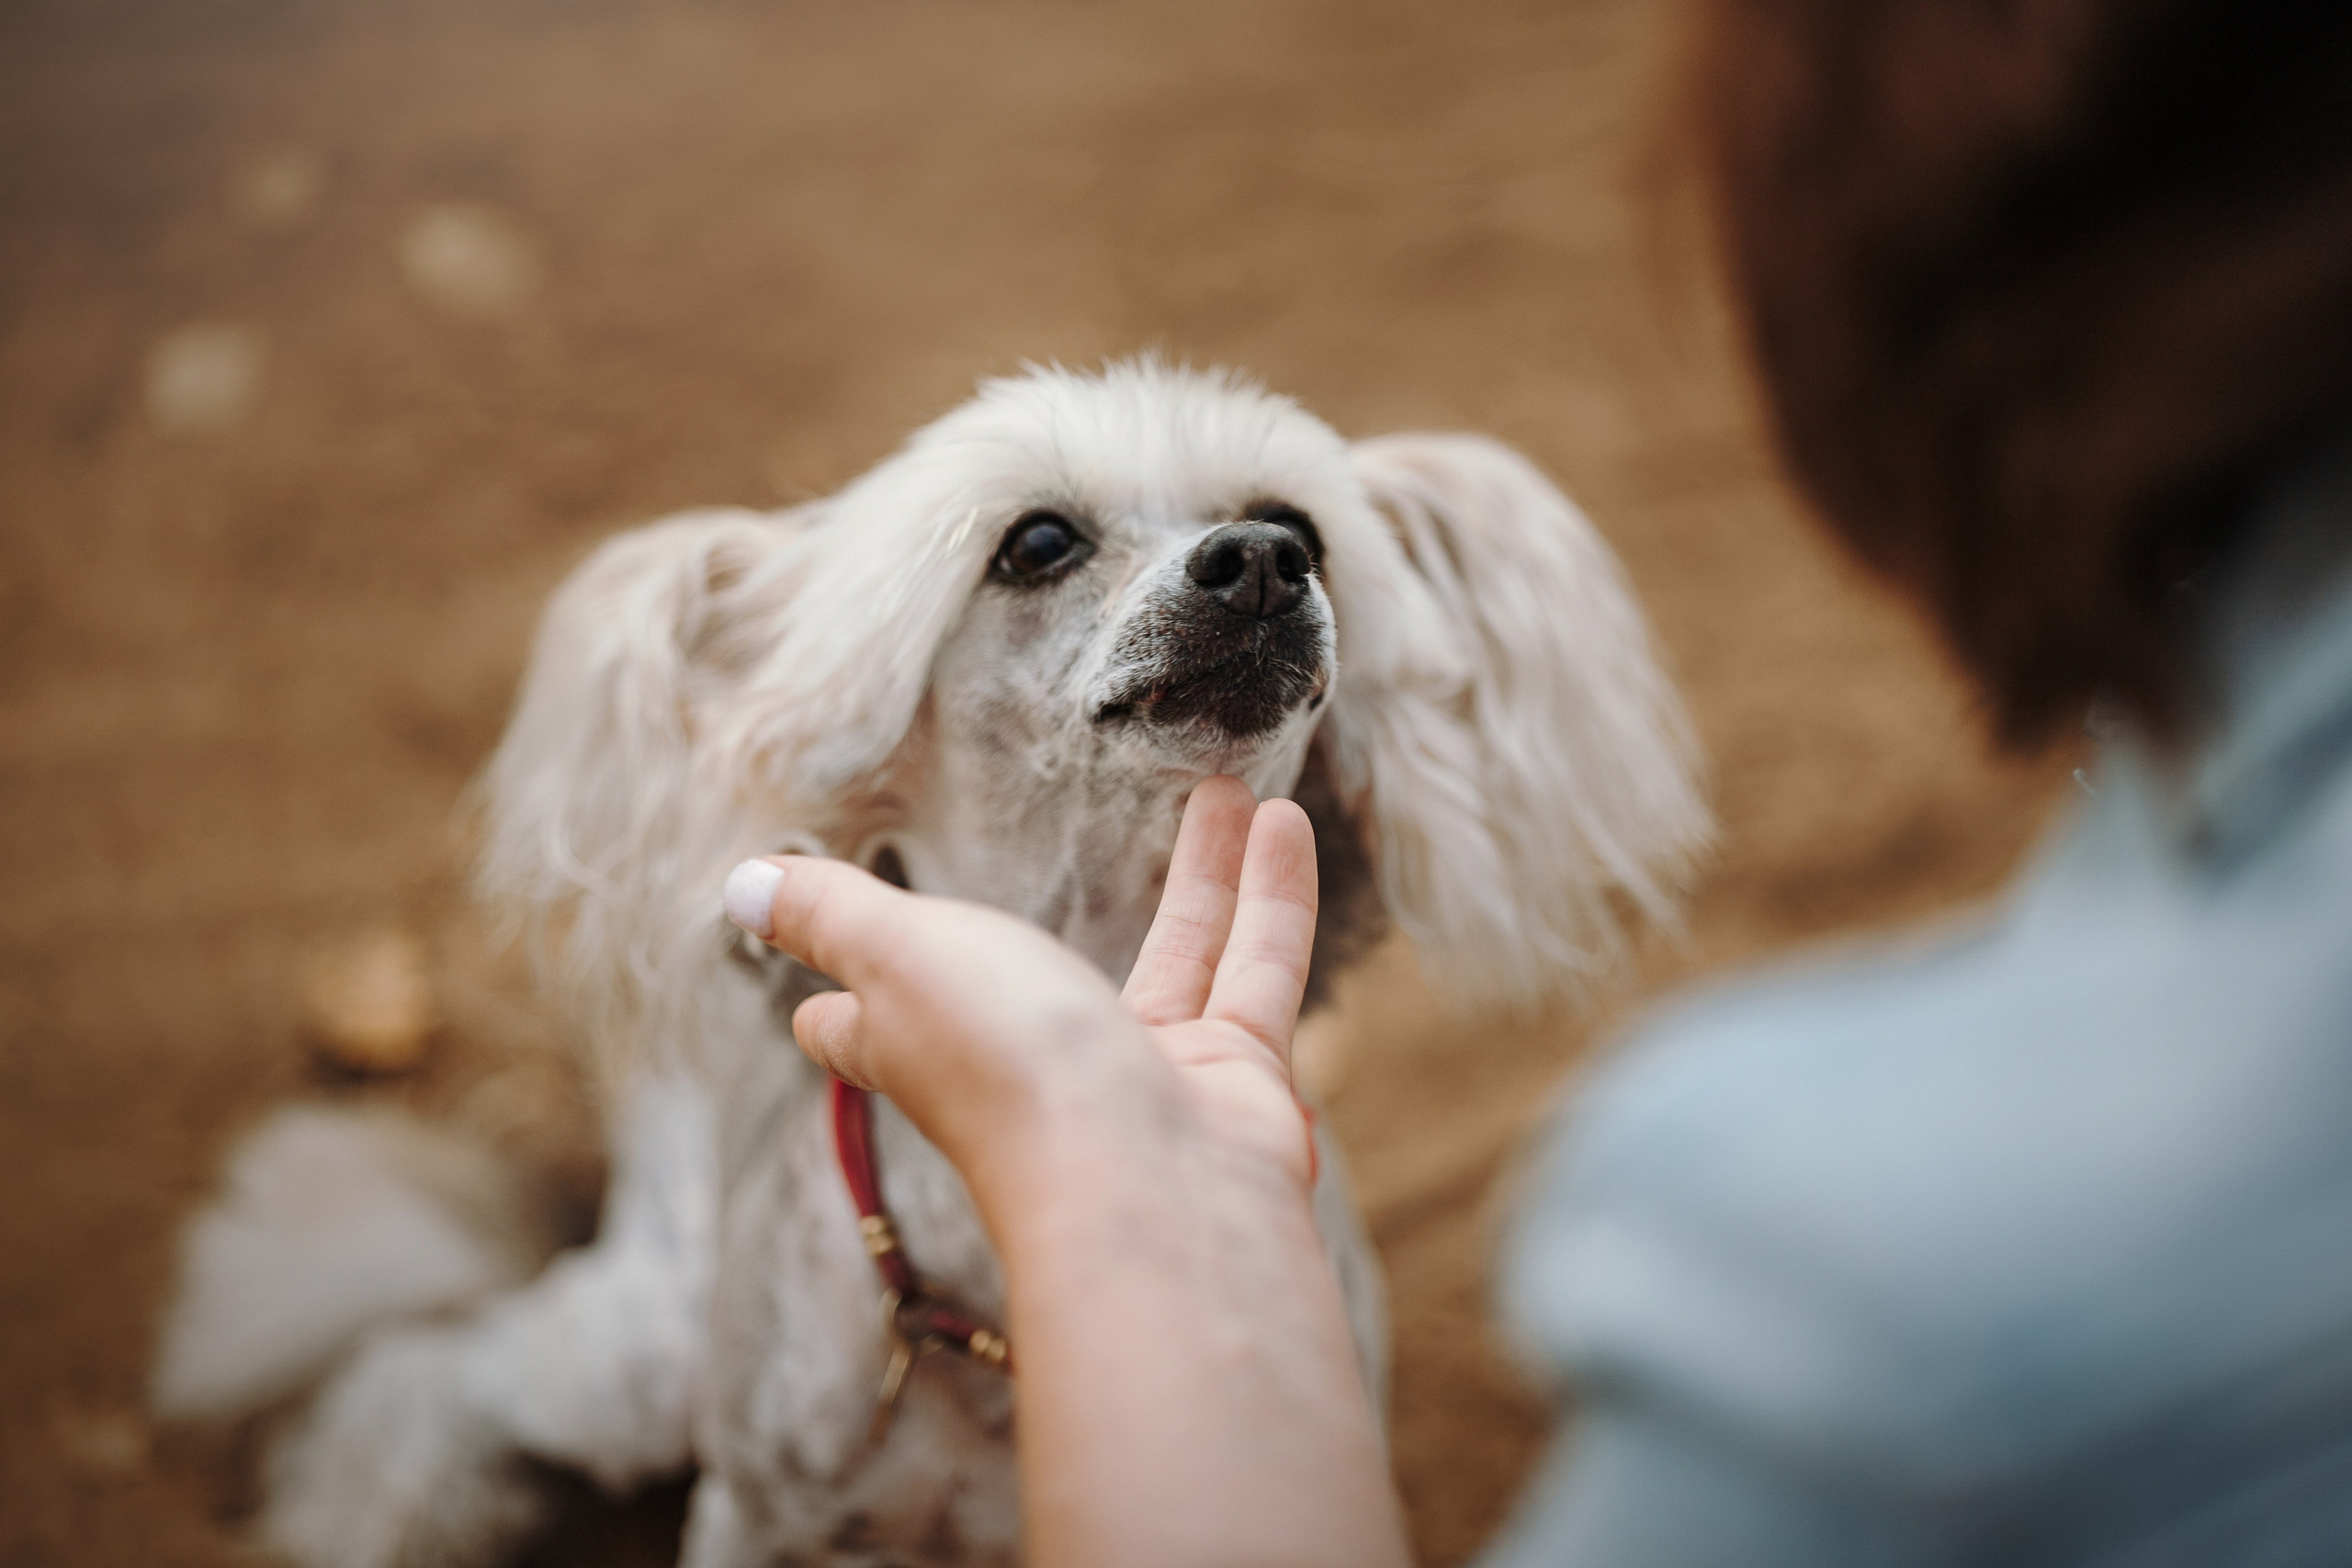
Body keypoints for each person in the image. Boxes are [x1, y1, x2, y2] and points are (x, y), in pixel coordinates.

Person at [720, 0, 2352, 1561]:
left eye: (1290, 548)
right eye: (1049, 548)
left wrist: (1131, 1211)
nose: (1247, 573)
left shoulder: (1832, 1279)